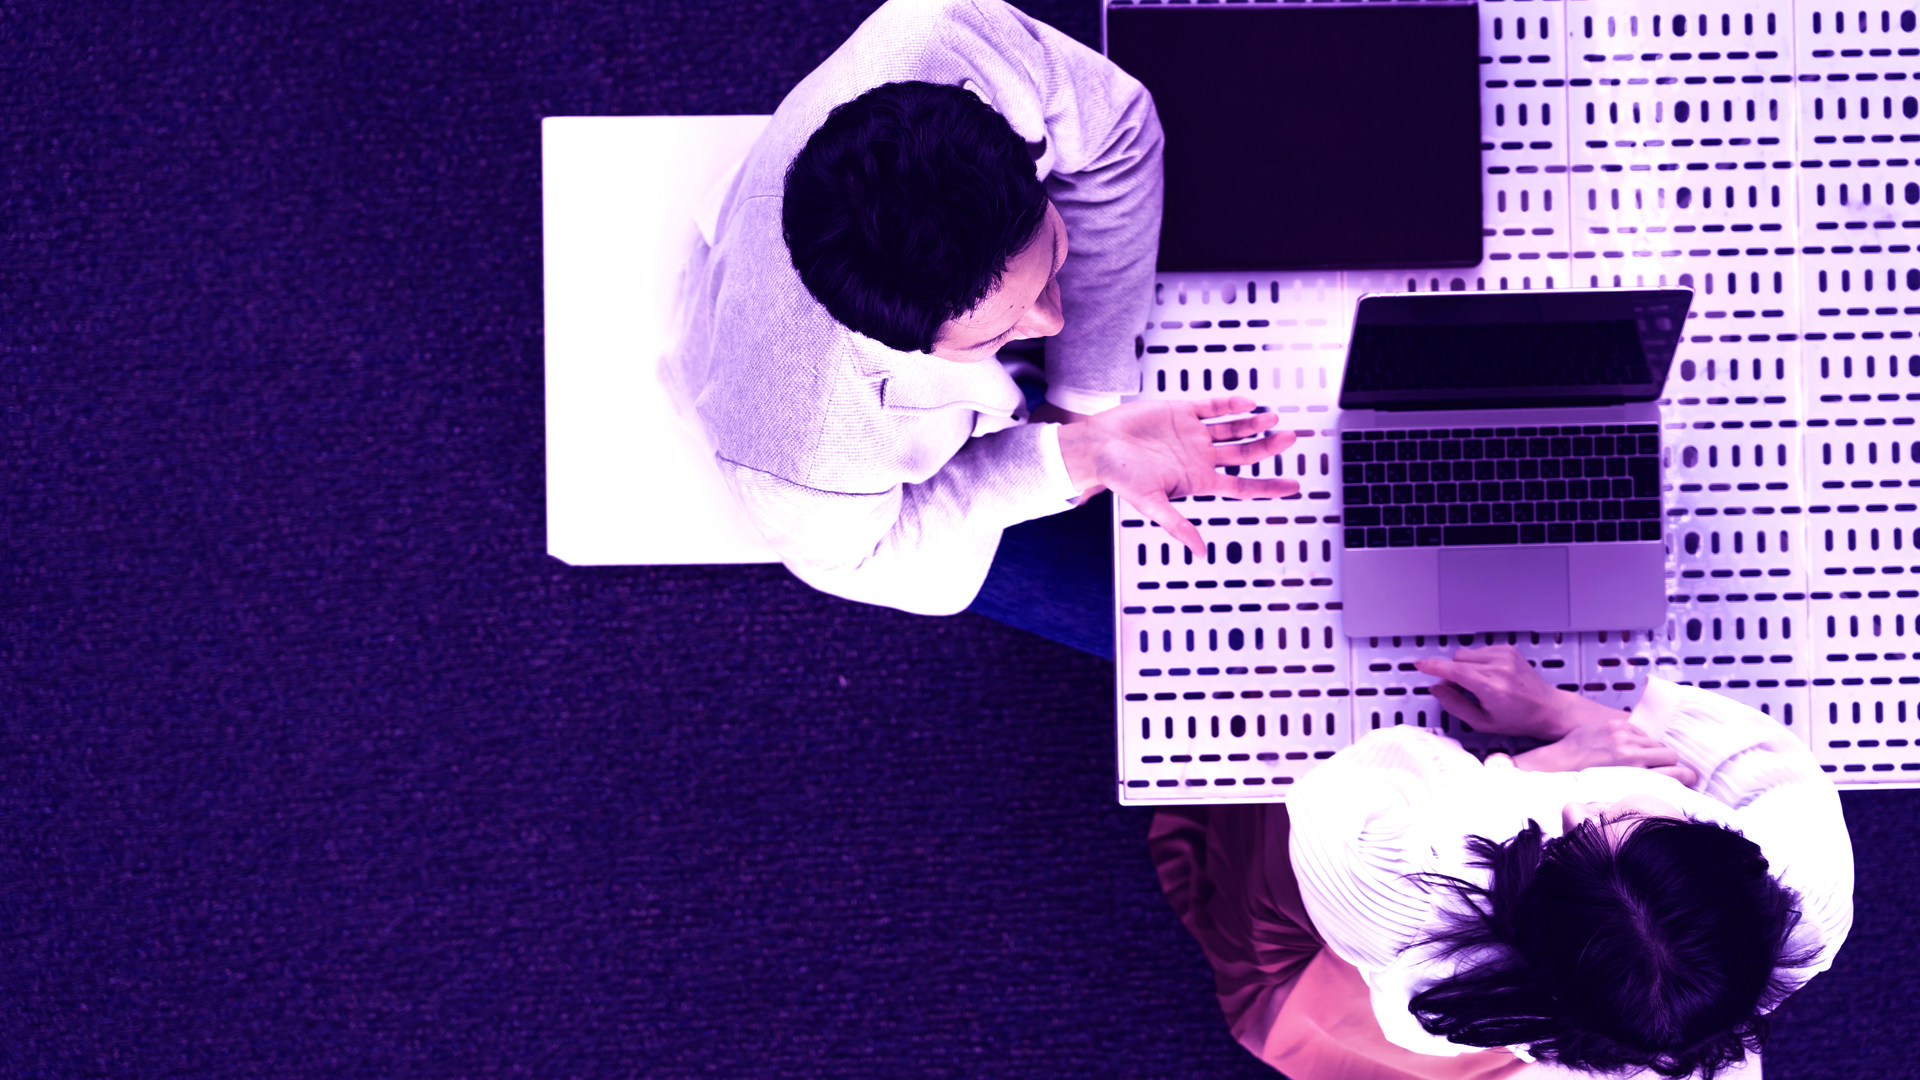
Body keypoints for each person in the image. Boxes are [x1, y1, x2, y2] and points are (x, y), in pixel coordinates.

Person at [666, 0, 1296, 649]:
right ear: (911, 348)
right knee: (1213, 630)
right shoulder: (800, 459)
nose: (1054, 324)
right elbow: (870, 553)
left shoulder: (945, 28)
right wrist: (1069, 458)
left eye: (1049, 257)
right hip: (869, 484)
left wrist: (1082, 399)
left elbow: (1118, 137)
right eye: (996, 336)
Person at [1150, 645, 1852, 1080]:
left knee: (1266, 823)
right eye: (1656, 814)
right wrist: (1564, 710)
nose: (1601, 793)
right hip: (1551, 1038)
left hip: (1419, 978)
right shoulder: (1804, 893)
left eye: (1585, 824)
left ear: (1523, 903)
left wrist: (1534, 764)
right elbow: (1753, 757)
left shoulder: (1405, 895)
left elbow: (1352, 781)